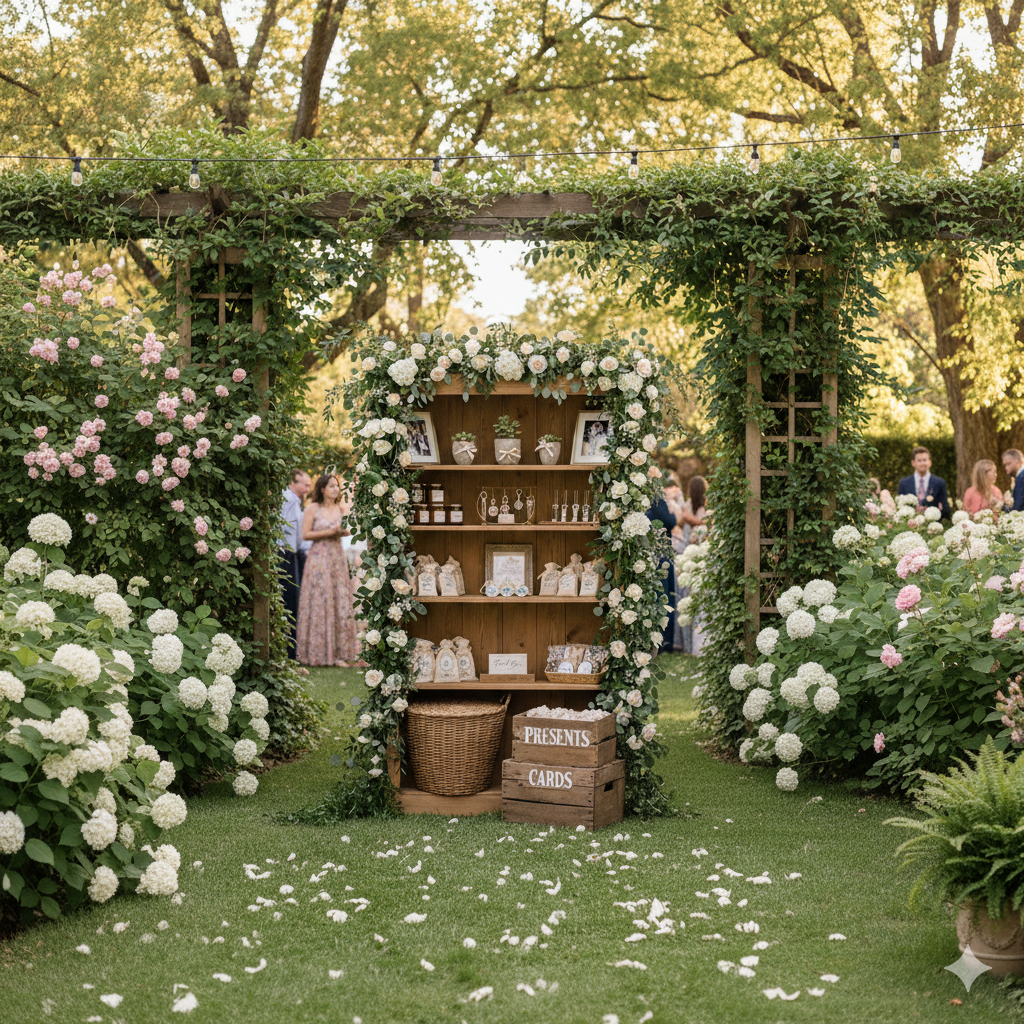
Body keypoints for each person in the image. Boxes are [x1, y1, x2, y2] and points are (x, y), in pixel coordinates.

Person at [296, 473, 361, 667]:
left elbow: (351, 529)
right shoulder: (312, 509)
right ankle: (317, 653)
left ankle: (339, 652)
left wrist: (342, 532)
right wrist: (330, 532)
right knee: (320, 599)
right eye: (331, 486)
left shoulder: (341, 508)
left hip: (336, 557)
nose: (335, 489)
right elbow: (305, 535)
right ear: (322, 489)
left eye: (337, 486)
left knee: (338, 600)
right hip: (318, 557)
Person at [278, 469, 310, 659]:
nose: (307, 488)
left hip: (293, 554)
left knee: (294, 602)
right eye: (304, 484)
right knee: (289, 602)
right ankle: (289, 653)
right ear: (293, 482)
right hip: (285, 554)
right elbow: (285, 527)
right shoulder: (288, 500)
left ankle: (292, 652)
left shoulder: (296, 502)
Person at [897, 446, 951, 521]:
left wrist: (942, 508)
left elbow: (946, 511)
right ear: (913, 463)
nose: (922, 463)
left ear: (930, 462)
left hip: (932, 526)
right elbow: (899, 508)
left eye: (925, 460)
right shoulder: (904, 483)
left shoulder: (939, 483)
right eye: (919, 460)